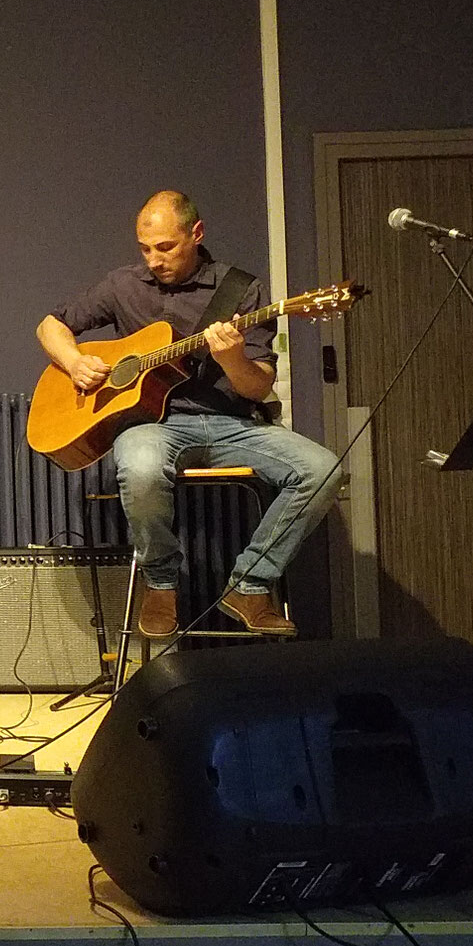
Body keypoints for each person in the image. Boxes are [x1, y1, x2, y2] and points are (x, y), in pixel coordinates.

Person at [35, 189, 343, 639]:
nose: (154, 260)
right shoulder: (122, 285)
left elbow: (257, 386)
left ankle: (251, 584)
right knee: (140, 468)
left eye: (166, 247)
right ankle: (161, 582)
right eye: (145, 249)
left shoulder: (242, 290)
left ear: (196, 234)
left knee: (323, 469)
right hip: (153, 425)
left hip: (233, 423)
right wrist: (75, 361)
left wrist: (232, 358)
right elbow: (50, 324)